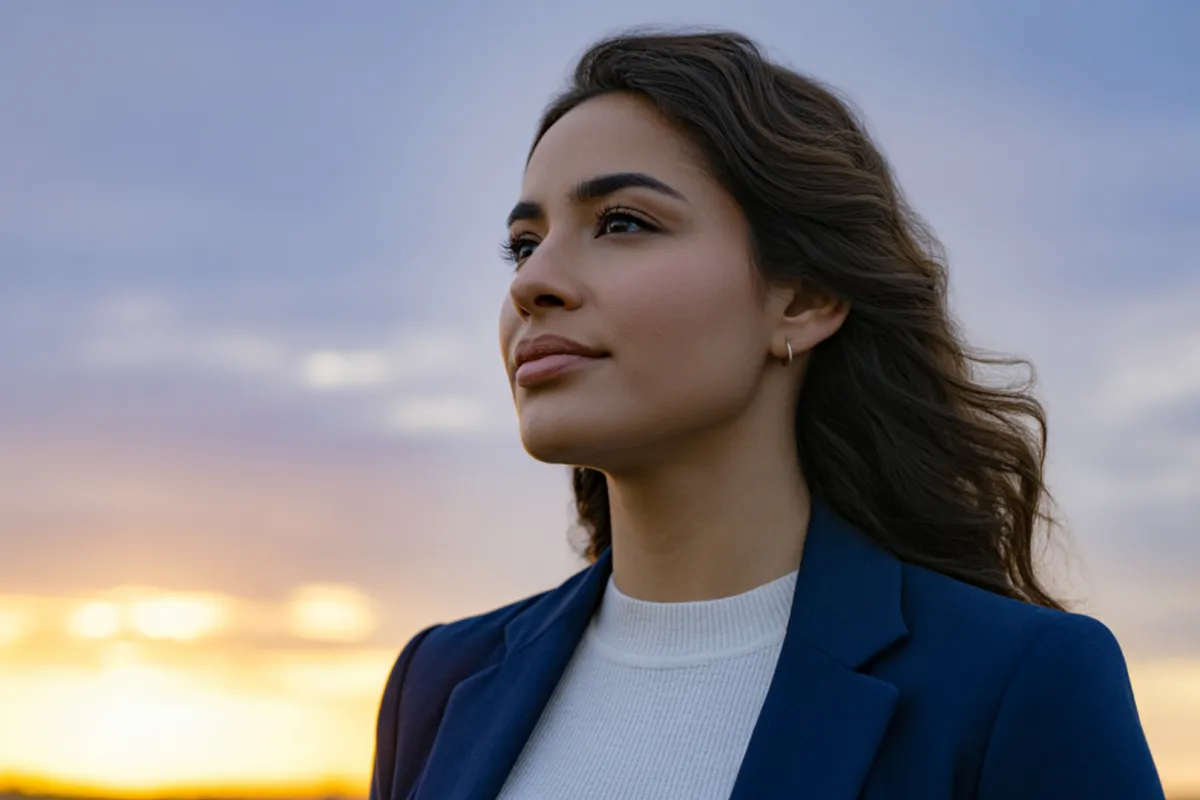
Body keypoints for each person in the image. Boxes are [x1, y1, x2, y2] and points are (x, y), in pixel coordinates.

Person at [369, 29, 1165, 800]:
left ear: (804, 298)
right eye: (523, 243)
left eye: (621, 223)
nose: (530, 283)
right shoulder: (437, 683)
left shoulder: (1015, 684)